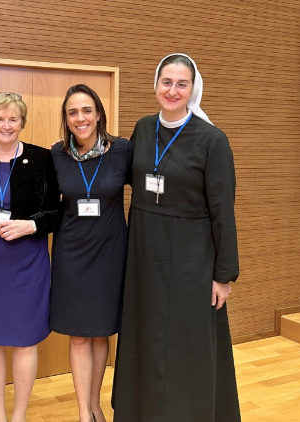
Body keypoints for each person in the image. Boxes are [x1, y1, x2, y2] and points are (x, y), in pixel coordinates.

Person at [112, 53, 241, 421]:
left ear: (192, 88)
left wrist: (223, 274)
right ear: (156, 85)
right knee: (146, 335)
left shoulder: (212, 140)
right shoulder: (143, 127)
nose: (173, 90)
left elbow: (223, 211)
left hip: (192, 255)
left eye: (181, 84)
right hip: (144, 250)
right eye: (166, 82)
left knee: (188, 340)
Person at [0, 92, 60, 422]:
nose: (6, 125)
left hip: (27, 263)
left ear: (22, 123)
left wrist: (30, 225)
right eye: (0, 118)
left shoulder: (43, 159)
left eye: (13, 119)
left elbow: (58, 212)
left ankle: (18, 416)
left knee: (24, 341)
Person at [49, 84, 132, 422]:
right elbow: (48, 207)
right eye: (73, 112)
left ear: (98, 113)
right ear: (66, 119)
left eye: (86, 110)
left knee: (101, 333)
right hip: (72, 255)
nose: (80, 118)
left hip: (111, 252)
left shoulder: (123, 150)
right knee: (80, 337)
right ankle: (85, 412)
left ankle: (96, 403)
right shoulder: (56, 154)